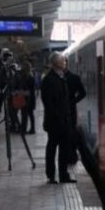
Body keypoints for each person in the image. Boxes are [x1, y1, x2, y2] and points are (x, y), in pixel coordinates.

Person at [40, 53, 85, 185]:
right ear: (57, 63)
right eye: (63, 61)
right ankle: (51, 175)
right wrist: (59, 118)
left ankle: (63, 175)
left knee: (64, 149)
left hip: (65, 121)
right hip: (55, 122)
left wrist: (67, 118)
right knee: (52, 148)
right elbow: (48, 103)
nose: (65, 62)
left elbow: (65, 101)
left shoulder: (61, 78)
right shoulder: (49, 80)